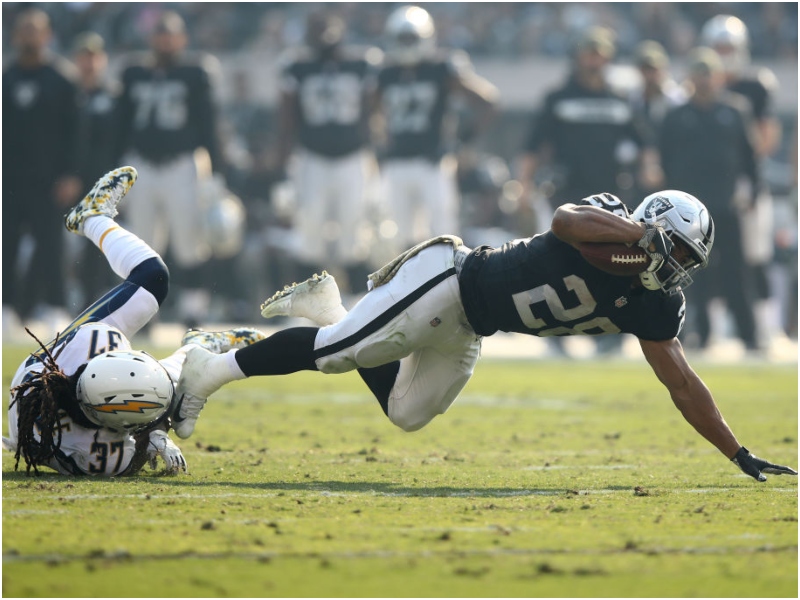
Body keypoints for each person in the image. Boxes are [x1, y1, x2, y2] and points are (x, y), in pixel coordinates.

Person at [175, 190, 796, 483]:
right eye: (675, 248)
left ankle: (328, 308)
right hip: (449, 280)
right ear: (650, 228)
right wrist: (638, 240)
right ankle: (211, 371)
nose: (678, 266)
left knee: (407, 413)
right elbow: (563, 220)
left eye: (688, 258)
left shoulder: (658, 304)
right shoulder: (608, 221)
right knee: (339, 355)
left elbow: (683, 384)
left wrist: (736, 453)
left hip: (472, 327)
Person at [3, 167, 266, 477]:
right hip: (77, 396)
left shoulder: (87, 349)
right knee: (160, 386)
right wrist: (156, 434)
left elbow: (127, 407)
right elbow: (136, 427)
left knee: (152, 279)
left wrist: (151, 432)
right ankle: (197, 348)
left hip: (60, 364)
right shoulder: (100, 454)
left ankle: (91, 217)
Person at [517, 26, 649, 356]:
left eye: (600, 54)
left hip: (611, 198)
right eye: (589, 53)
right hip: (567, 196)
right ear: (578, 57)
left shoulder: (620, 100)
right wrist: (523, 186)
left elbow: (644, 143)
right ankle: (556, 332)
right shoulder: (558, 97)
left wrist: (649, 170)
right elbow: (533, 146)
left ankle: (610, 332)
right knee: (560, 263)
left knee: (612, 265)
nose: (594, 60)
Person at [115, 10, 224, 327]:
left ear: (182, 39)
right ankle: (142, 312)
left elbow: (208, 125)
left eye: (170, 34)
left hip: (182, 164)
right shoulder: (133, 72)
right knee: (142, 242)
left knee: (190, 239)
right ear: (151, 39)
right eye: (159, 33)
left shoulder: (195, 72)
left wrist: (217, 172)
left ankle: (194, 310)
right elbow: (119, 125)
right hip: (141, 165)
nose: (164, 40)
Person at [372, 5, 499, 255]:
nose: (407, 44)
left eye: (411, 38)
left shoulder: (440, 67)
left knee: (444, 236)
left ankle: (449, 287)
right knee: (401, 238)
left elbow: (488, 102)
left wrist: (461, 141)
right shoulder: (385, 72)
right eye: (402, 38)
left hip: (433, 162)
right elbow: (371, 112)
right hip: (397, 162)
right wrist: (379, 141)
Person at [275, 10, 383, 293]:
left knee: (354, 231)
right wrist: (282, 166)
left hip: (352, 157)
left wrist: (375, 153)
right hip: (311, 157)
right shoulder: (297, 66)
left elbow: (372, 113)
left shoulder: (361, 63)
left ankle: (359, 306)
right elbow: (287, 119)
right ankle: (305, 304)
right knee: (309, 231)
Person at [660, 48, 759, 352]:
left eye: (709, 74)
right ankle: (697, 334)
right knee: (690, 275)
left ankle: (750, 336)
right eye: (698, 74)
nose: (703, 80)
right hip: (688, 214)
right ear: (690, 77)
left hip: (726, 205)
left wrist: (753, 192)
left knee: (736, 271)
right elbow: (662, 161)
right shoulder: (676, 116)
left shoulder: (735, 110)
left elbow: (749, 157)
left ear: (718, 76)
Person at [701, 14, 785, 350]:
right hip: (711, 186)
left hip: (745, 185)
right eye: (718, 47)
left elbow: (766, 136)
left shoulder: (755, 85)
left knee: (754, 255)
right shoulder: (701, 83)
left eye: (728, 47)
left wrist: (743, 167)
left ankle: (764, 325)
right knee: (710, 257)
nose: (723, 54)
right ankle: (719, 326)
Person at [3, 8, 82, 328]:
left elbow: (77, 132)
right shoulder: (5, 77)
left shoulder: (62, 79)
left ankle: (55, 306)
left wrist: (72, 174)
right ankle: (5, 307)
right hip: (8, 178)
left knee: (51, 244)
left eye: (36, 30)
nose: (30, 36)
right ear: (14, 34)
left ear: (48, 35)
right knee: (4, 245)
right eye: (24, 30)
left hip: (49, 180)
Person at [70, 32, 120, 306]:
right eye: (84, 57)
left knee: (101, 243)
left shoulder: (113, 97)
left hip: (104, 181)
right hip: (69, 180)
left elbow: (120, 141)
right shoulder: (68, 94)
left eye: (94, 57)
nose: (89, 63)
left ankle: (97, 299)